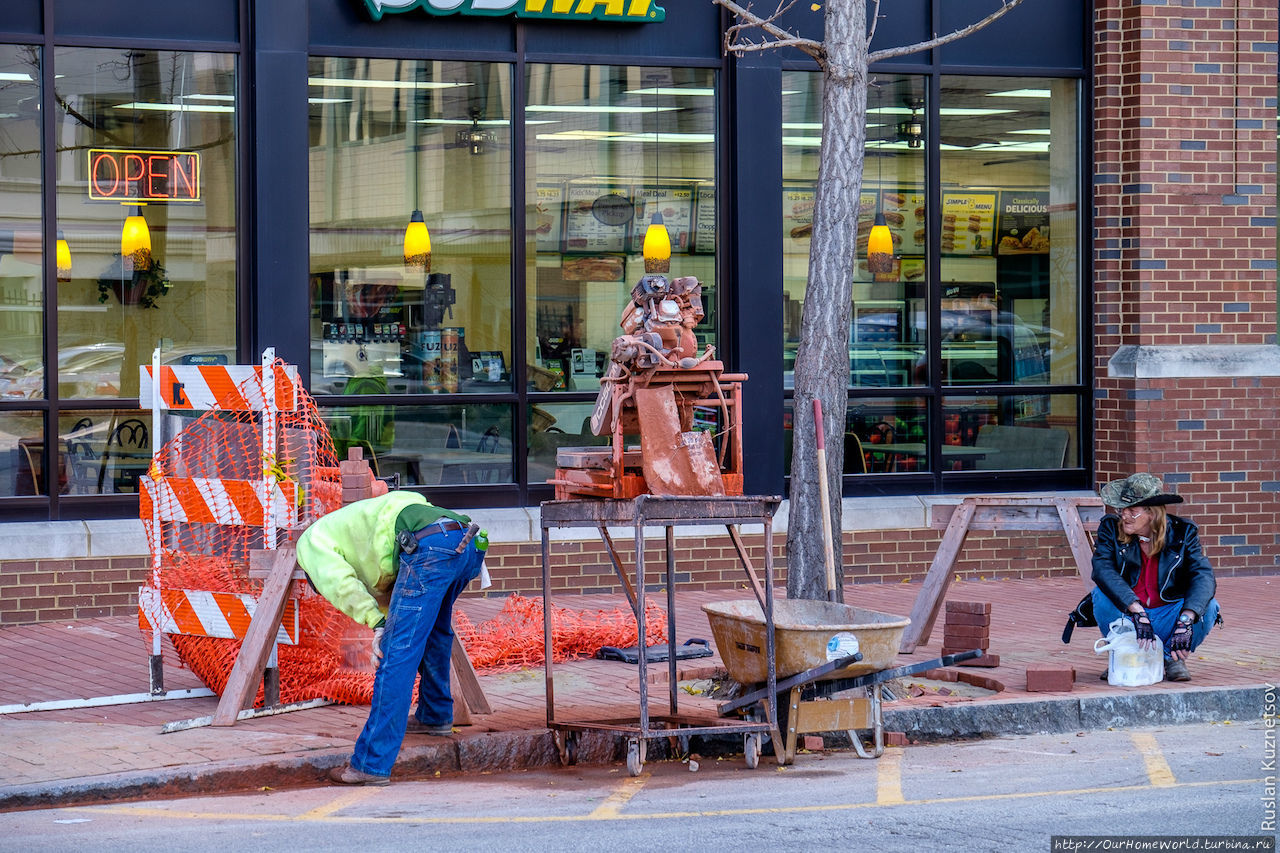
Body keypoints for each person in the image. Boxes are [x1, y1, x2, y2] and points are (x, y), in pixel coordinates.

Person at [296, 489, 487, 786]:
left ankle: (371, 764)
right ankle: (435, 715)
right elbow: (395, 578)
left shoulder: (311, 544)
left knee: (397, 653)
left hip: (431, 548)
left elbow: (343, 586)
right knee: (435, 634)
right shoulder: (366, 520)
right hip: (467, 543)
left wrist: (378, 625)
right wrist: (384, 623)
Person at [1090, 473, 1220, 683]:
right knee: (1100, 596)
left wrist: (1186, 620)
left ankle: (1171, 658)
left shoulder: (1183, 533)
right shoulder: (1110, 529)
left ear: (1152, 514)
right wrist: (1136, 609)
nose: (1124, 516)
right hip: (1131, 616)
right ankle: (1122, 654)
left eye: (1132, 511)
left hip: (1168, 615)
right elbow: (1102, 569)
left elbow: (1203, 575)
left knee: (1210, 607)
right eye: (1122, 509)